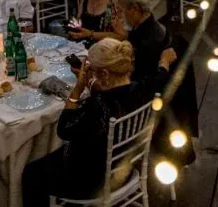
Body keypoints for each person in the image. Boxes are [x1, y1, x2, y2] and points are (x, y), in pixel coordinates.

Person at [21, 38, 177, 207]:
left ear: (104, 74)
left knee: (30, 173)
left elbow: (63, 129)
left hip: (93, 182)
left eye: (92, 71)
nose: (89, 74)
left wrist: (78, 88)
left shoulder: (99, 106)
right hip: (127, 165)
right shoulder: (144, 89)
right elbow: (161, 76)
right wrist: (164, 62)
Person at [114, 0, 171, 83]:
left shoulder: (150, 40)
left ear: (134, 9)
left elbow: (142, 82)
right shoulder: (142, 26)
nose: (118, 15)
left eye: (120, 10)